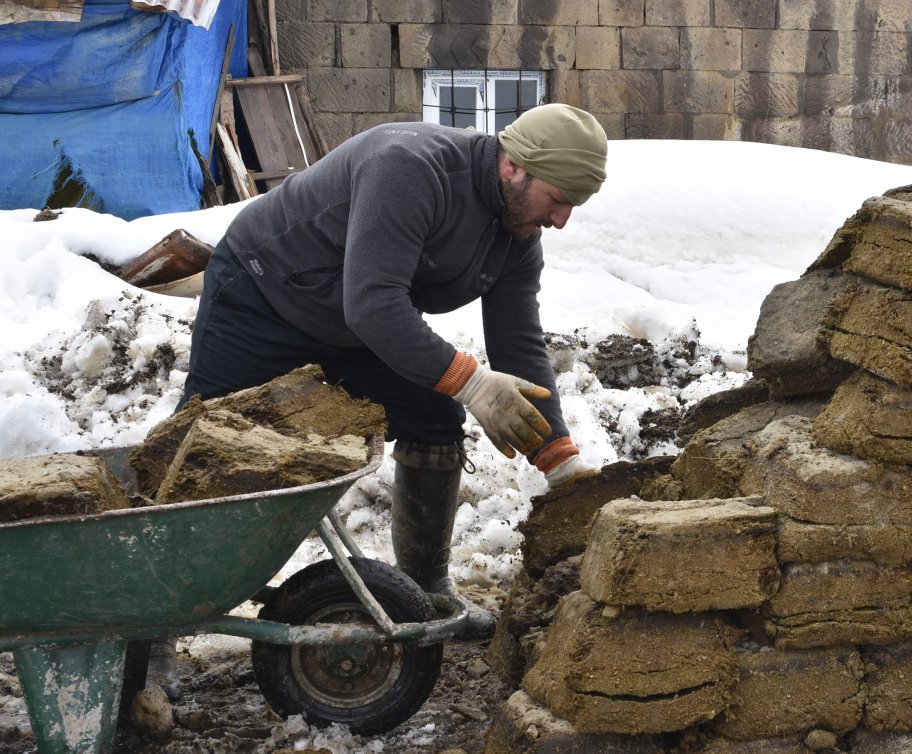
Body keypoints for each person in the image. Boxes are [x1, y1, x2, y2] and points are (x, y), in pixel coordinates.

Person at [147, 103, 608, 699]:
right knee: (203, 458)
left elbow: (518, 343)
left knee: (434, 416)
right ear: (513, 167)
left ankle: (427, 585)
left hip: (351, 325)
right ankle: (152, 635)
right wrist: (471, 382)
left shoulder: (516, 235)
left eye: (575, 205)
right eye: (559, 199)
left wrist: (560, 458)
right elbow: (374, 303)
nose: (563, 219)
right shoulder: (409, 168)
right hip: (263, 297)